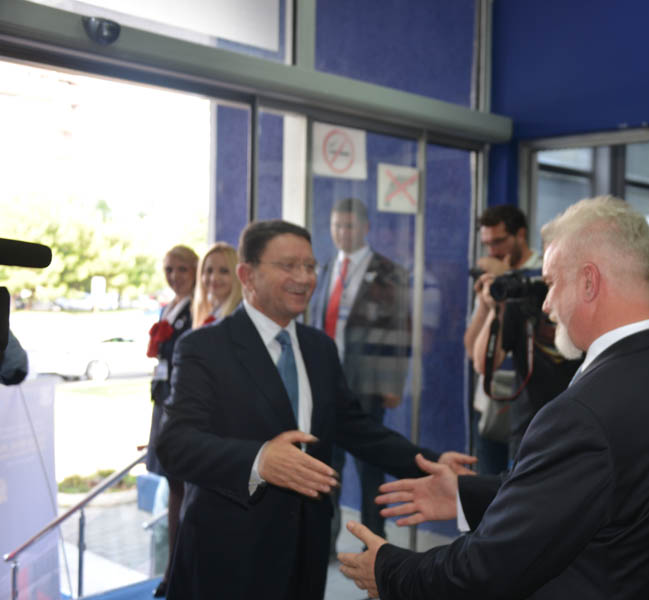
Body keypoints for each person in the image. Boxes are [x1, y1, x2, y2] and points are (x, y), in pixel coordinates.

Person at [338, 196, 649, 599]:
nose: (546, 304)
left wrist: (390, 569)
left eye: (551, 283)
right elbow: (588, 493)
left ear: (589, 282)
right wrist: (466, 494)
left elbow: (487, 567)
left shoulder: (583, 413)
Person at [155, 220, 473, 600]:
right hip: (227, 554)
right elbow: (174, 444)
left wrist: (431, 463)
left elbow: (357, 429)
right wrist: (259, 460)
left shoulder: (319, 347)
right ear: (247, 275)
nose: (305, 278)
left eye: (309, 266)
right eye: (289, 266)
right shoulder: (204, 348)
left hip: (306, 551)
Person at [307, 198, 411, 551]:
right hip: (326, 382)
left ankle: (374, 543)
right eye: (336, 225)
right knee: (326, 465)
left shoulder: (389, 272)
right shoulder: (324, 269)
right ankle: (325, 541)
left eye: (349, 226)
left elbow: (401, 331)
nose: (342, 232)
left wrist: (393, 383)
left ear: (365, 228)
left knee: (370, 468)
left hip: (368, 384)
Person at [462, 204, 542, 474]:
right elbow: (472, 350)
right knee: (487, 485)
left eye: (498, 242)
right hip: (490, 403)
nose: (492, 251)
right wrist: (486, 305)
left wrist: (507, 278)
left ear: (520, 235)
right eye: (487, 244)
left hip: (531, 404)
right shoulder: (492, 281)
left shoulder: (542, 273)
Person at [144, 243, 197, 598]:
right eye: (169, 270)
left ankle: (178, 570)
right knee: (172, 486)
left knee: (183, 488)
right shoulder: (169, 307)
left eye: (182, 269)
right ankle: (173, 568)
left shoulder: (197, 310)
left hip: (182, 408)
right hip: (163, 402)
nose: (175, 277)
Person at [192, 242, 242, 327]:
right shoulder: (209, 310)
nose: (214, 278)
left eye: (223, 271)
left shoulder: (240, 316)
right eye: (209, 270)